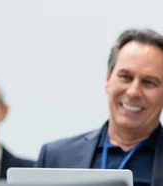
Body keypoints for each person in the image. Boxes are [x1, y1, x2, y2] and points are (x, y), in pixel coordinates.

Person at [36, 28, 163, 186]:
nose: (133, 92)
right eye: (125, 77)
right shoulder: (55, 158)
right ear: (108, 79)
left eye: (148, 82)